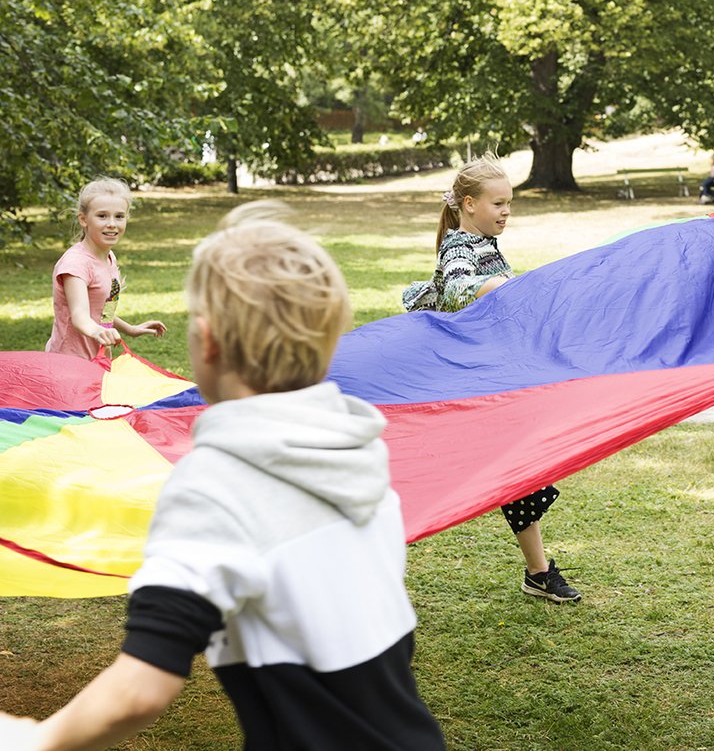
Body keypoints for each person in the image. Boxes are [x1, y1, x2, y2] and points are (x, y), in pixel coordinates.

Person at [0, 202, 446, 751]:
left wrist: (36, 739)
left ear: (207, 341)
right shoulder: (358, 449)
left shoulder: (215, 487)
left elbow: (142, 688)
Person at [403, 155, 582, 602]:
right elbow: (458, 289)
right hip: (457, 388)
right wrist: (510, 287)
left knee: (517, 471)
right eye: (498, 204)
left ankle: (538, 572)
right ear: (469, 204)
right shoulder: (459, 247)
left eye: (509, 204)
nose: (506, 212)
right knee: (434, 470)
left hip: (485, 381)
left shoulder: (484, 242)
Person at [45, 177, 166, 359]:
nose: (112, 224)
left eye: (119, 216)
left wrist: (130, 329)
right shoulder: (76, 264)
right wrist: (98, 332)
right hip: (70, 360)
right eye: (102, 216)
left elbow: (99, 311)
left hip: (98, 358)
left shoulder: (108, 257)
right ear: (83, 219)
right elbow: (79, 316)